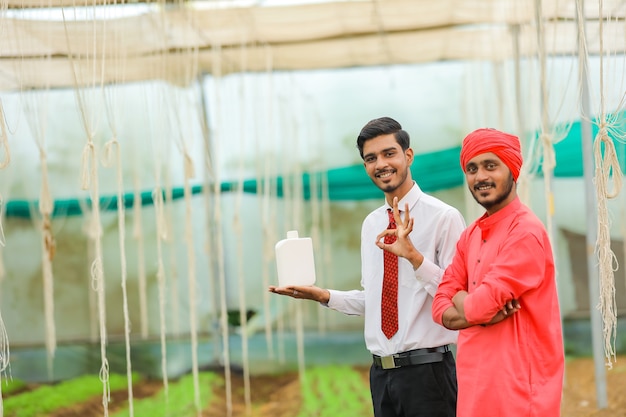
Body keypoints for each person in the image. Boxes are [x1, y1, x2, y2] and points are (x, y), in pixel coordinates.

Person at [269, 117, 466, 417]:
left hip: (428, 374)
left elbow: (456, 297)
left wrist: (415, 257)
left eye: (389, 153)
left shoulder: (444, 217)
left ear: (408, 156)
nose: (381, 164)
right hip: (382, 376)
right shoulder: (372, 224)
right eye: (371, 158)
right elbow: (375, 300)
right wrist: (322, 295)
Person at [431, 128, 564, 417]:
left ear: (513, 171)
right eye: (472, 168)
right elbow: (439, 306)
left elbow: (476, 306)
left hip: (518, 393)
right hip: (474, 389)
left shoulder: (525, 232)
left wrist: (464, 301)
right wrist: (471, 307)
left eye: (491, 166)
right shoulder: (470, 235)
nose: (480, 177)